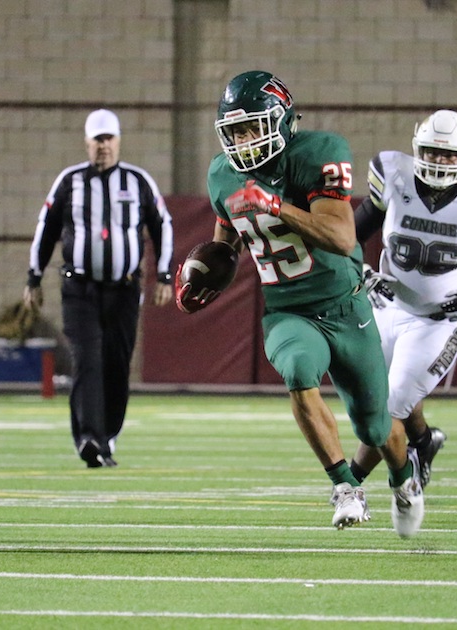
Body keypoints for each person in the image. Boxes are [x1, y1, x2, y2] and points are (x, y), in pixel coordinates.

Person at [177, 70, 424, 537]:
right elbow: (227, 239)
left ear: (281, 120)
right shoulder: (222, 174)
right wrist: (209, 272)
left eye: (252, 127)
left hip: (345, 305)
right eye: (234, 131)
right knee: (297, 368)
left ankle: (404, 479)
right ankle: (345, 486)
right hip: (288, 310)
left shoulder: (319, 153)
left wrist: (277, 206)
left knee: (375, 429)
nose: (243, 140)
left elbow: (341, 234)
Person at [352, 109, 457, 487]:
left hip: (443, 319)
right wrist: (362, 271)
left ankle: (350, 482)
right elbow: (347, 235)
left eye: (448, 154)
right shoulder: (394, 177)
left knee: (389, 403)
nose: (439, 161)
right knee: (382, 392)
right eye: (431, 152)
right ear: (417, 149)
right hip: (389, 306)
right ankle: (423, 441)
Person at [23, 109, 174, 468]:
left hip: (124, 289)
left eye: (109, 139)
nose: (103, 146)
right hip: (79, 288)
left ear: (118, 141)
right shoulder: (69, 181)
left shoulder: (138, 181)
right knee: (87, 359)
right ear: (87, 143)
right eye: (97, 140)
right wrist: (34, 277)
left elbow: (162, 225)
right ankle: (89, 437)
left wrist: (164, 275)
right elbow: (46, 229)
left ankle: (108, 436)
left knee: (117, 365)